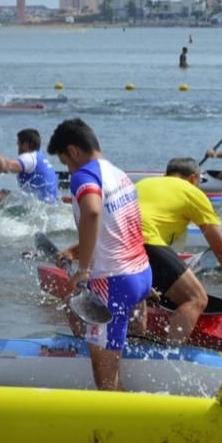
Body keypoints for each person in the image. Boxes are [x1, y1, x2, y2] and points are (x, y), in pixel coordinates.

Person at [46, 118, 152, 391]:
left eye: (65, 163)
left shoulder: (84, 175)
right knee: (110, 345)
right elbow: (112, 226)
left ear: (73, 151)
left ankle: (125, 427)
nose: (68, 169)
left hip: (112, 283)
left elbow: (92, 212)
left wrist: (82, 269)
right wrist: (76, 249)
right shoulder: (119, 173)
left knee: (105, 382)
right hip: (141, 275)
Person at [136, 157, 222, 343]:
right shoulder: (192, 192)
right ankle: (172, 355)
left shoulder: (143, 184)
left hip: (113, 242)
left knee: (139, 295)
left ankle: (133, 345)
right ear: (194, 178)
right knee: (196, 298)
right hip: (145, 241)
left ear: (166, 174)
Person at [0, 128, 60, 205]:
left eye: (18, 144)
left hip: (35, 206)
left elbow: (2, 166)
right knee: (4, 191)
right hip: (48, 204)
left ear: (26, 144)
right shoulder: (39, 157)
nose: (17, 147)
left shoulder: (28, 158)